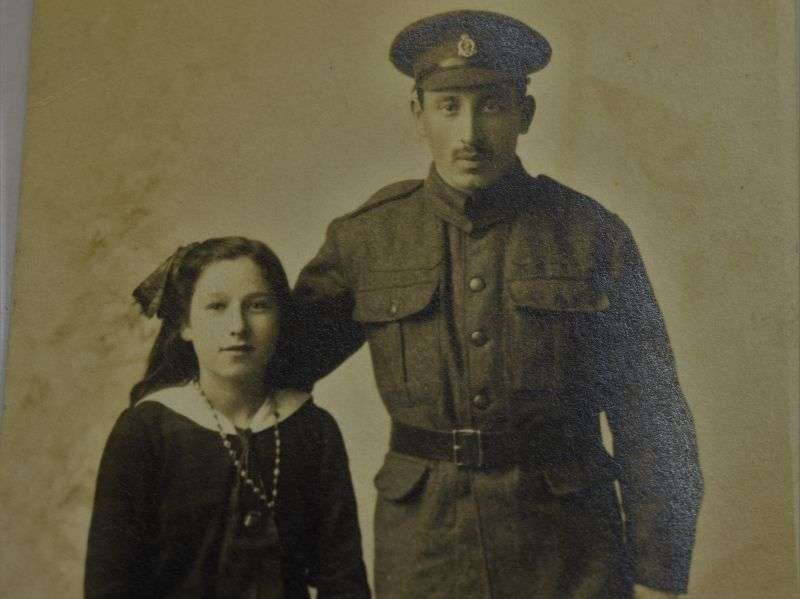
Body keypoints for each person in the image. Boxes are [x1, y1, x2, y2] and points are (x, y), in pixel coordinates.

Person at [292, 10, 703, 599]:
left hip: (569, 546)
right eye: (449, 106)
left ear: (525, 115)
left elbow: (653, 415)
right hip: (425, 546)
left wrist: (658, 574)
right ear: (418, 114)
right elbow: (265, 369)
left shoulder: (590, 235)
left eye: (492, 105)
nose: (470, 134)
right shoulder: (368, 238)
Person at [85, 237, 371, 598]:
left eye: (258, 306)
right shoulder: (146, 431)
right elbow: (110, 584)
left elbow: (343, 579)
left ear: (281, 319)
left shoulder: (313, 429)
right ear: (185, 325)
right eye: (216, 307)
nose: (238, 326)